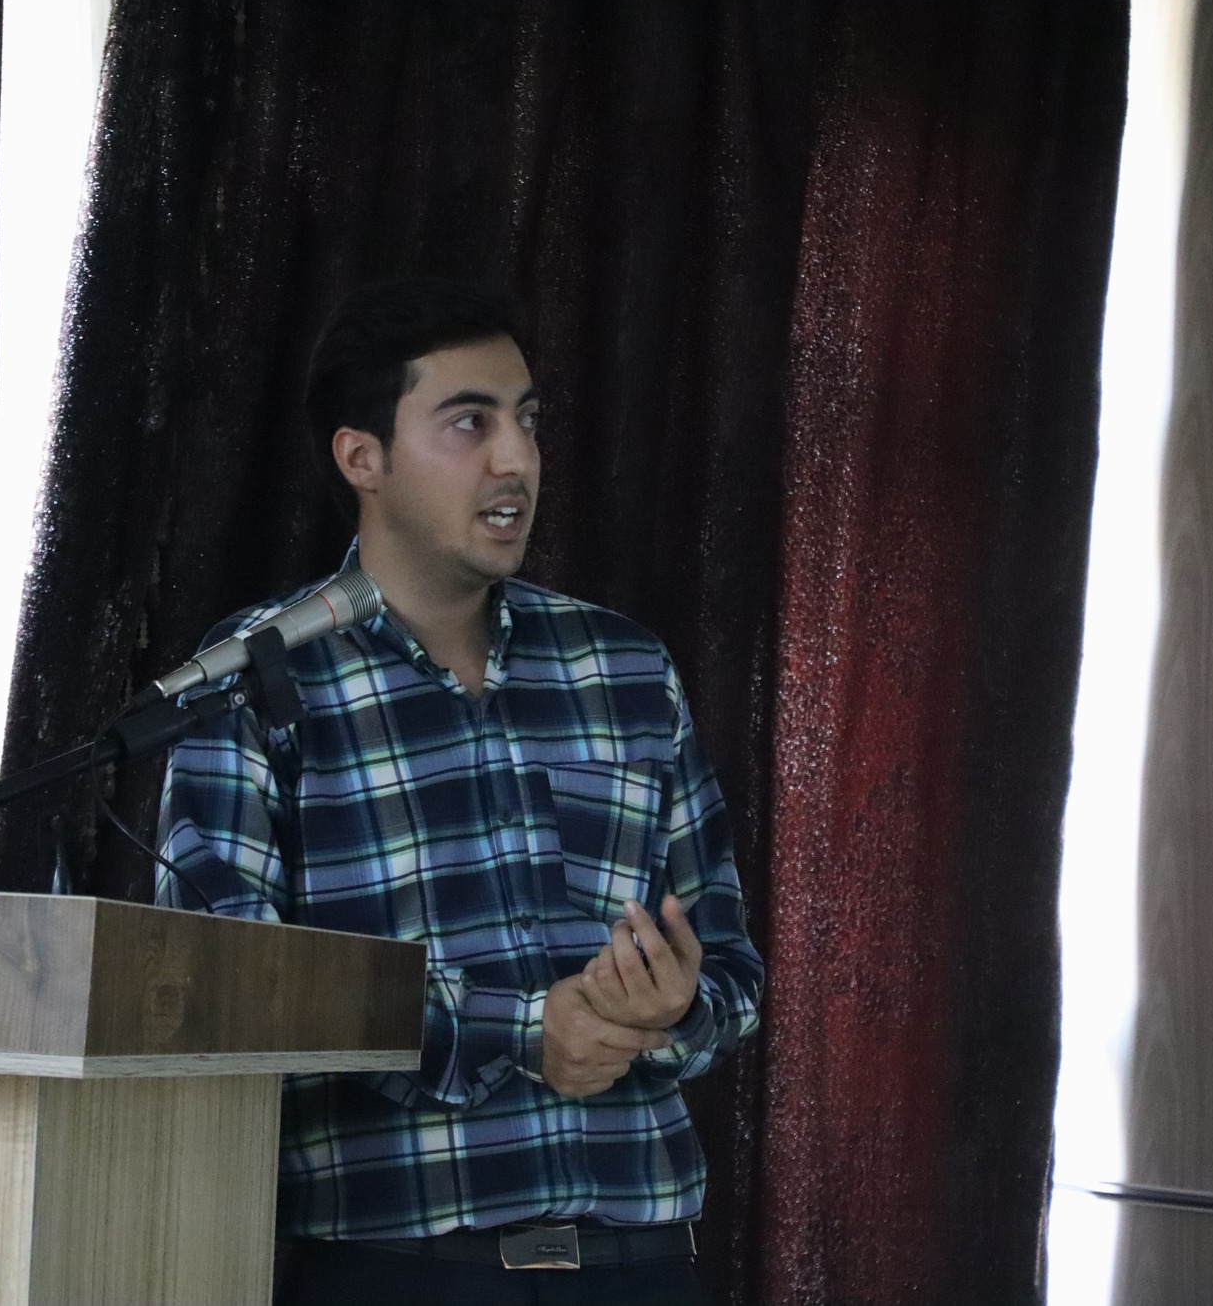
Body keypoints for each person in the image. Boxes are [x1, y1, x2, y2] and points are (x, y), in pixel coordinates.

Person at [154, 278, 763, 1306]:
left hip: (643, 1265)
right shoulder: (253, 677)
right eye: (469, 422)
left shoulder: (624, 666)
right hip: (395, 1271)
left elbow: (732, 971)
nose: (515, 459)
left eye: (528, 420)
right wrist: (519, 1029)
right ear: (363, 458)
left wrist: (671, 1012)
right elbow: (227, 988)